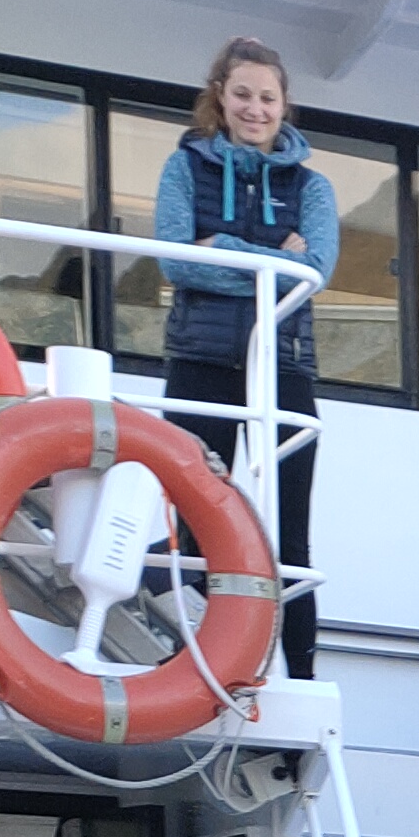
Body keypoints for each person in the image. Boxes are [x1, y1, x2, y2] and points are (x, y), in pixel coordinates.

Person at [153, 38, 332, 679]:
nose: (255, 109)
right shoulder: (185, 169)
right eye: (242, 95)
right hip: (201, 359)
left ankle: (302, 677)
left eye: (267, 97)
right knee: (194, 527)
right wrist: (272, 257)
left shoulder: (312, 185)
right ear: (220, 100)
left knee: (291, 535)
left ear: (284, 106)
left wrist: (219, 248)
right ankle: (189, 665)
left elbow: (316, 271)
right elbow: (176, 259)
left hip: (284, 366)